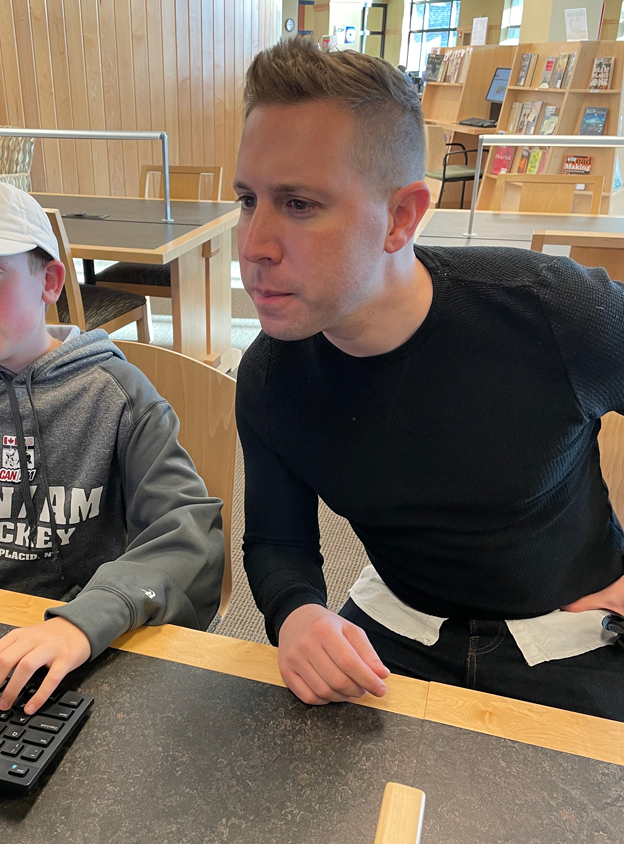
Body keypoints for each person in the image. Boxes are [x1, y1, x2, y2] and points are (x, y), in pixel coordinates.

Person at [233, 38, 624, 721]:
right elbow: (278, 541)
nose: (253, 246)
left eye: (298, 205)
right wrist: (295, 615)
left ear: (402, 217)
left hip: (577, 637)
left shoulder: (554, 309)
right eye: (247, 200)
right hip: (398, 632)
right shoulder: (270, 373)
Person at [0, 181, 224, 715]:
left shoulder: (120, 396)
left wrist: (87, 619)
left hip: (78, 628)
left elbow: (189, 537)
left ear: (49, 281)